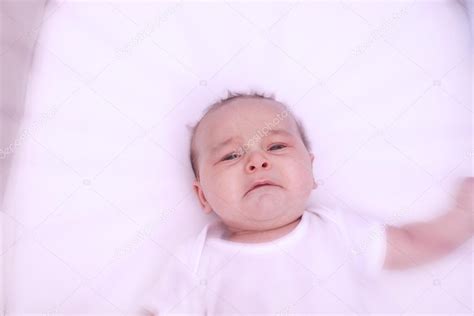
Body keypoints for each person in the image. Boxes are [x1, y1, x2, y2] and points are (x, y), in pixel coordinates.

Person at [141, 91, 473, 315]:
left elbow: (418, 243)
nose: (257, 161)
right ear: (203, 196)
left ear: (311, 172)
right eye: (231, 155)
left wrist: (464, 213)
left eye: (276, 147)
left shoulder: (338, 232)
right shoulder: (197, 260)